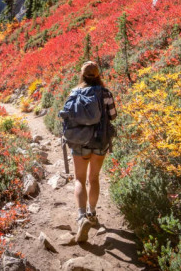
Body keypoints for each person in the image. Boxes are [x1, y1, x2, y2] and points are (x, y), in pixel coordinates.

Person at [68, 61, 117, 243]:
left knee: (79, 179)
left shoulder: (75, 92)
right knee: (93, 178)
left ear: (82, 75)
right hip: (100, 141)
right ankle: (92, 214)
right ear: (98, 75)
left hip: (79, 141)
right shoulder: (106, 93)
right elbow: (113, 115)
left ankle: (81, 218)